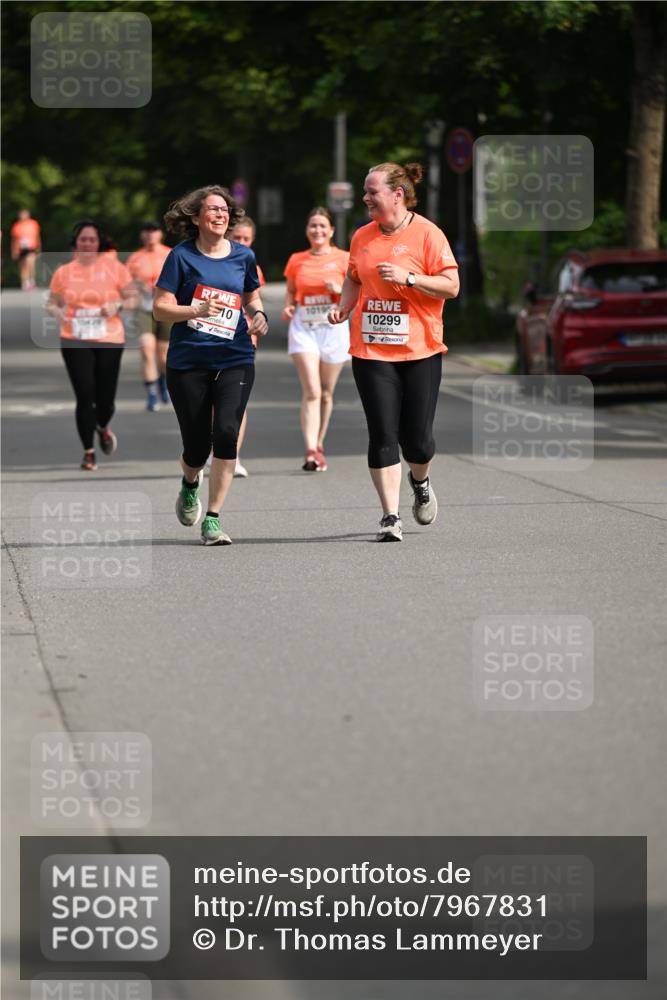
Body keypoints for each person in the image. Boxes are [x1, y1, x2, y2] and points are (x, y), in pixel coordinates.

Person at [328, 162, 459, 541]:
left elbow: (452, 287)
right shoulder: (361, 236)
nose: (365, 197)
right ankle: (389, 515)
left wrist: (411, 278)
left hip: (420, 349)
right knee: (382, 432)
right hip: (371, 350)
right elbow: (353, 277)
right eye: (365, 191)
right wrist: (344, 306)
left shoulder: (428, 234)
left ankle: (420, 481)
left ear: (397, 195)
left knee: (418, 441)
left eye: (372, 192)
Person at [153, 185, 268, 546]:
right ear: (196, 217)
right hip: (189, 360)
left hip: (235, 355)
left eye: (225, 210)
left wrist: (259, 314)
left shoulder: (243, 256)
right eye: (213, 210)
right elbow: (160, 308)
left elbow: (252, 293)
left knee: (228, 433)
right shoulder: (180, 257)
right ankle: (190, 483)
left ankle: (214, 518)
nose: (220, 215)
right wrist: (194, 311)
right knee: (197, 446)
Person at [46, 219, 137, 470]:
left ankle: (102, 427)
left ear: (99, 243)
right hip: (74, 337)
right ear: (75, 243)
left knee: (105, 399)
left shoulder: (115, 268)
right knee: (84, 395)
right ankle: (88, 452)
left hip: (109, 337)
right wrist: (57, 313)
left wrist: (117, 305)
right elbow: (52, 302)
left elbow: (133, 298)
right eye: (82, 239)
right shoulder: (63, 272)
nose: (87, 243)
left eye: (92, 239)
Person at [282, 207, 350, 472]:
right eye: (313, 226)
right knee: (311, 390)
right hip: (304, 327)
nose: (318, 231)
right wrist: (289, 306)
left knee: (325, 393)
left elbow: (358, 293)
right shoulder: (296, 260)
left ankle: (319, 444)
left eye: (323, 226)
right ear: (307, 230)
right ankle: (310, 449)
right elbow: (290, 291)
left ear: (331, 230)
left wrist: (340, 290)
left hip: (333, 329)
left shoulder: (344, 258)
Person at [226, 215, 266, 476]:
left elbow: (255, 302)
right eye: (237, 237)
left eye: (246, 239)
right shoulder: (215, 262)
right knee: (214, 402)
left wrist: (258, 321)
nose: (241, 242)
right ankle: (210, 449)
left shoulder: (252, 266)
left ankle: (233, 456)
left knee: (238, 401)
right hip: (212, 337)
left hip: (244, 339)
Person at [126, 222, 172, 411]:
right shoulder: (135, 258)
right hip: (143, 309)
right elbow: (125, 284)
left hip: (167, 307)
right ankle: (152, 393)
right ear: (142, 236)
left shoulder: (171, 254)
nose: (151, 235)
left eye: (154, 231)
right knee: (146, 349)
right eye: (147, 232)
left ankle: (163, 381)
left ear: (160, 234)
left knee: (164, 355)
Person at [11, 208, 41, 291]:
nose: (23, 216)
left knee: (30, 263)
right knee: (23, 266)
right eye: (21, 215)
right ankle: (25, 283)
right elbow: (13, 240)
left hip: (31, 247)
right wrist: (14, 251)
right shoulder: (16, 226)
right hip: (20, 248)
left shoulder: (33, 224)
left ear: (28, 215)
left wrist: (39, 247)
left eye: (24, 214)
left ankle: (32, 281)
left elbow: (38, 236)